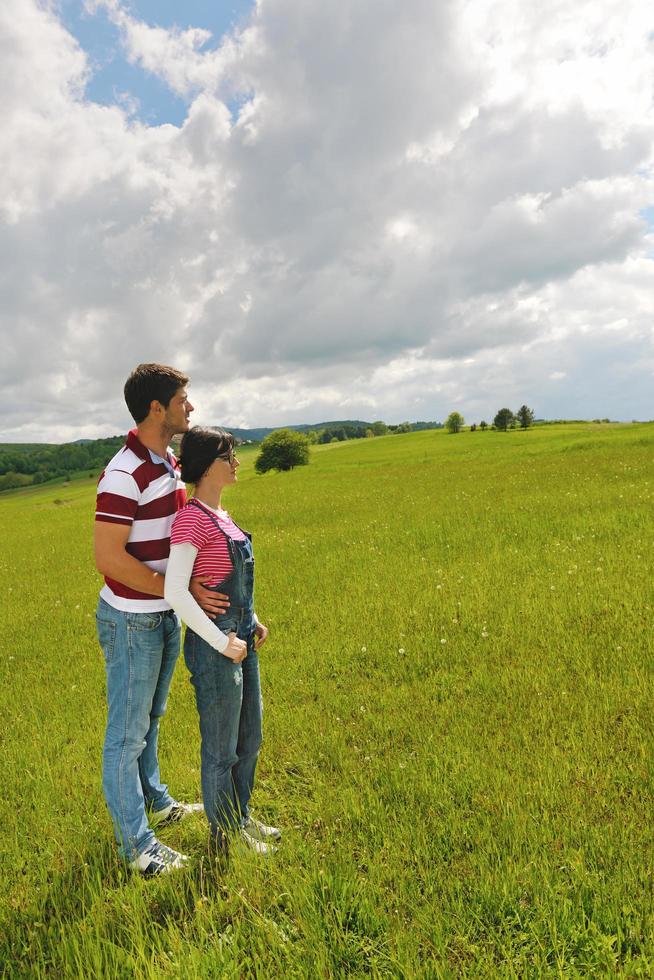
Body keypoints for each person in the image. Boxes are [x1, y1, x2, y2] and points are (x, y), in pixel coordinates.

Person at [94, 364, 229, 876]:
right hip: (132, 622)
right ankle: (136, 847)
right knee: (125, 736)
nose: (190, 408)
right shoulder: (124, 472)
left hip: (165, 615)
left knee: (150, 723)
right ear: (157, 408)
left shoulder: (168, 462)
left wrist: (181, 594)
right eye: (182, 400)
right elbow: (108, 558)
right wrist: (174, 589)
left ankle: (156, 801)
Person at [164, 425, 280, 858]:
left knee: (250, 738)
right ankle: (227, 835)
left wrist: (254, 620)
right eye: (230, 456)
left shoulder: (223, 517)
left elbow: (229, 585)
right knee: (221, 749)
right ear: (210, 464)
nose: (236, 463)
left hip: (241, 638)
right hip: (217, 649)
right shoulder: (191, 518)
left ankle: (241, 817)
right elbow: (176, 590)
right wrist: (220, 641)